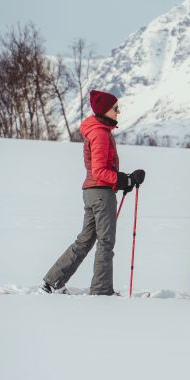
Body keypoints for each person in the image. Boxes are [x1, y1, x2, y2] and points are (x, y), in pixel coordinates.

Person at [42, 90, 145, 295]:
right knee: (105, 241)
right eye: (115, 108)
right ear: (105, 110)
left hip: (93, 190)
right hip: (101, 193)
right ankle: (101, 289)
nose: (118, 112)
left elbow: (98, 169)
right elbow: (99, 171)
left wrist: (126, 179)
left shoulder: (99, 131)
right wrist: (123, 179)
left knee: (86, 240)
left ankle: (53, 280)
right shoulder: (100, 134)